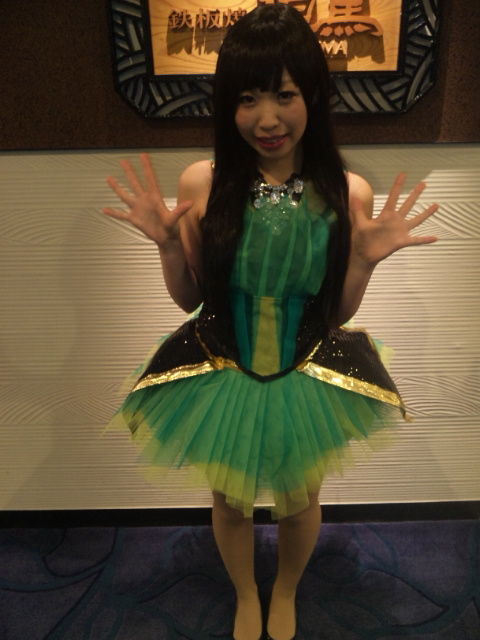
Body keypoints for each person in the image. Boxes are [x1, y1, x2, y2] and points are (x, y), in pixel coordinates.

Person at [103, 4, 438, 640]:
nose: (267, 118)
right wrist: (167, 245)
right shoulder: (202, 181)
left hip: (303, 370)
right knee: (229, 499)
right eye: (247, 98)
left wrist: (364, 261)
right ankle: (243, 594)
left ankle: (283, 590)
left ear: (312, 94)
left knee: (300, 498)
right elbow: (190, 298)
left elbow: (337, 313)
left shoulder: (348, 191)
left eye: (284, 95)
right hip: (222, 367)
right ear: (227, 106)